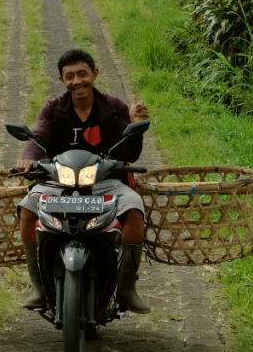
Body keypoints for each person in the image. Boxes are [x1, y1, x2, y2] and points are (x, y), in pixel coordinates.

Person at [16, 48, 152, 313]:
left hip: (105, 181)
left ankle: (126, 288)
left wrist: (134, 127)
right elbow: (38, 137)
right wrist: (28, 159)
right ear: (62, 80)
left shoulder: (113, 107)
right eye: (70, 76)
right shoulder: (53, 108)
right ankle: (39, 287)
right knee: (27, 209)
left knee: (134, 209)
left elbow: (129, 154)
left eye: (82, 74)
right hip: (58, 180)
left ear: (95, 74)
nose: (77, 81)